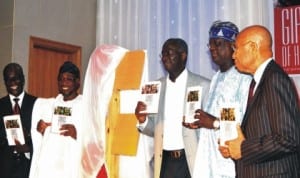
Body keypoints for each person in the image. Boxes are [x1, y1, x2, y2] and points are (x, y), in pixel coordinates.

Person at [220, 25, 300, 178]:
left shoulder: (274, 79)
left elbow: (288, 138)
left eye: (236, 48)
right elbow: (262, 131)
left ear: (253, 47)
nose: (233, 55)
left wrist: (243, 148)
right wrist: (234, 147)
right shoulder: (259, 81)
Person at [183, 21, 252, 178]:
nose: (212, 48)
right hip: (209, 163)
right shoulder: (215, 78)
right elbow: (215, 120)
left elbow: (245, 127)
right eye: (210, 45)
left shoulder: (244, 78)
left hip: (230, 165)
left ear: (233, 46)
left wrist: (214, 123)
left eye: (218, 43)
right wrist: (199, 122)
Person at [135, 38, 210, 178]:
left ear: (183, 55)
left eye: (169, 53)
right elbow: (155, 130)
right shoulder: (155, 87)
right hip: (164, 161)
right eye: (162, 54)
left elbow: (208, 130)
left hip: (191, 161)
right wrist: (142, 120)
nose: (164, 58)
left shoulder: (203, 85)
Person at [29, 61, 83, 178]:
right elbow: (37, 138)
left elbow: (96, 138)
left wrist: (78, 134)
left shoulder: (85, 106)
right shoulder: (48, 106)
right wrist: (40, 129)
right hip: (49, 169)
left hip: (71, 169)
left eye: (69, 79)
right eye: (61, 79)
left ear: (78, 82)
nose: (64, 82)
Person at [0, 63, 37, 178]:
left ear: (23, 78)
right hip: (4, 170)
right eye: (8, 79)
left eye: (16, 78)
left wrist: (28, 148)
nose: (13, 83)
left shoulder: (36, 103)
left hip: (29, 170)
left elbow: (43, 137)